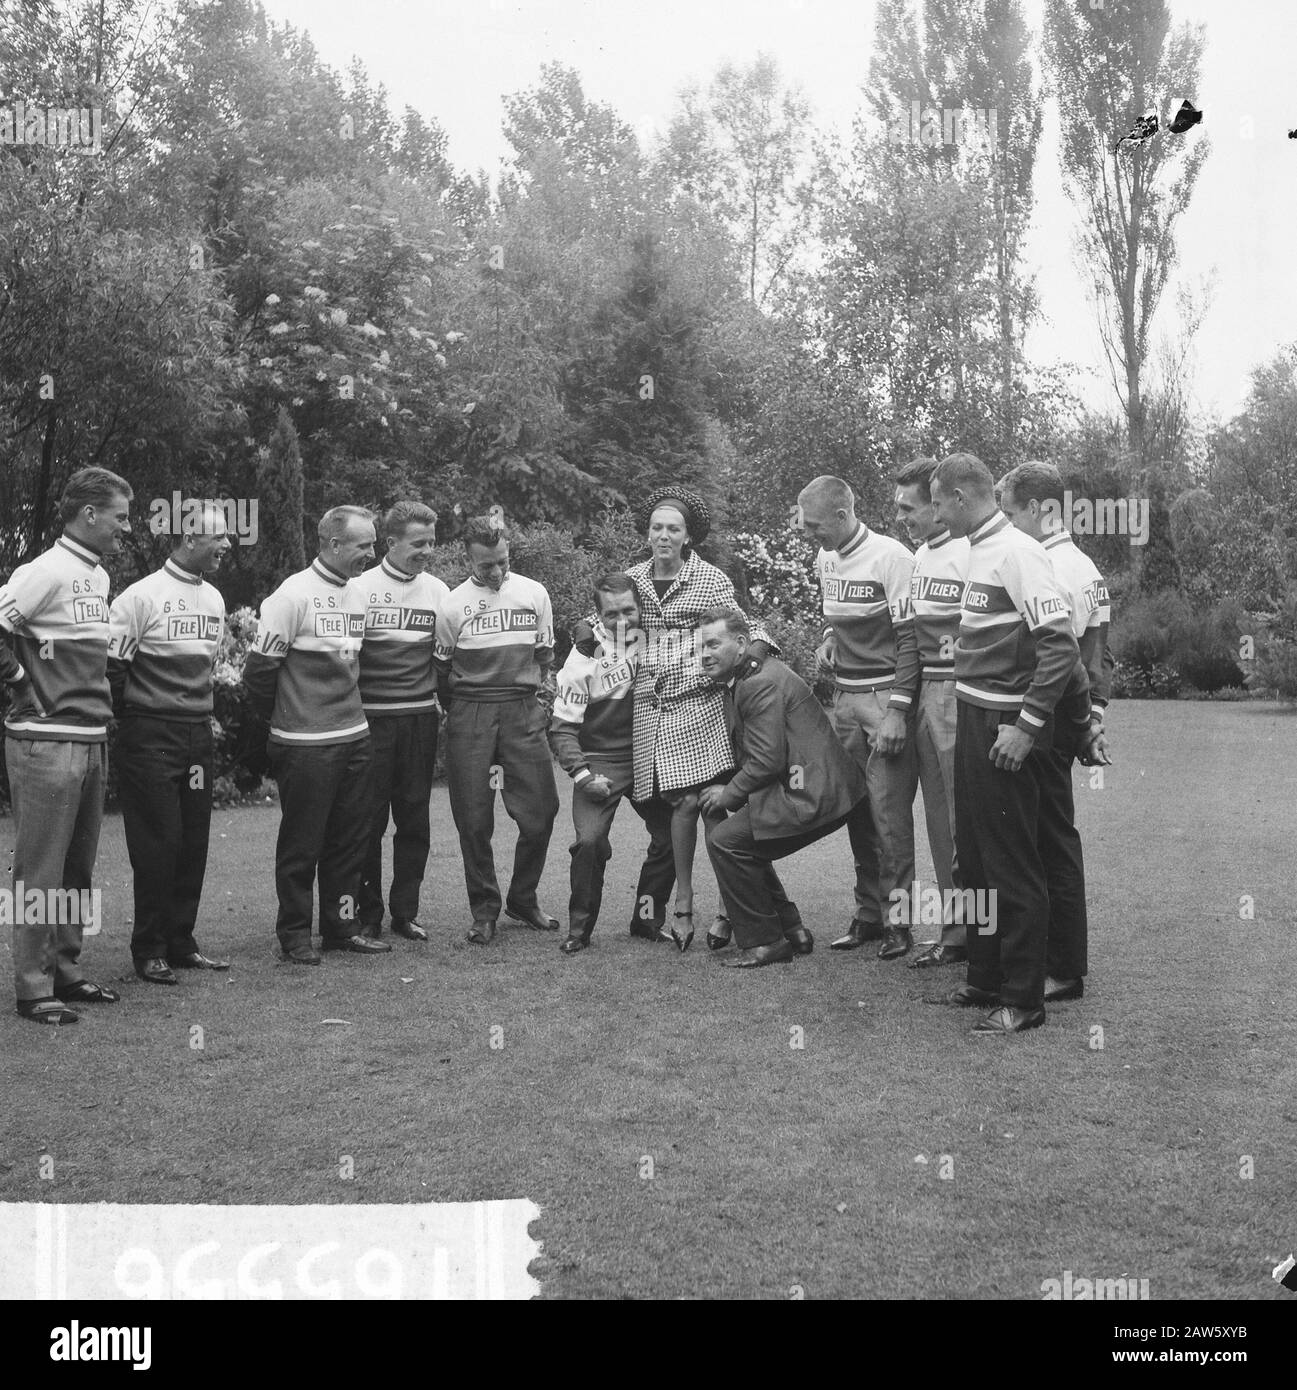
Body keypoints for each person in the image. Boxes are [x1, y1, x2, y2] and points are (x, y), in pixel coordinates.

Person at [929, 453, 1098, 1034]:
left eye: (936, 501)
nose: (932, 513)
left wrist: (1027, 727)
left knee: (1011, 862)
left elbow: (1060, 649)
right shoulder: (977, 547)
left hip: (1004, 724)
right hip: (973, 716)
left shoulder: (1020, 552)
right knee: (973, 856)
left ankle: (1024, 999)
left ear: (958, 496)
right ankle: (984, 979)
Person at [575, 485, 776, 952]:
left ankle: (727, 911)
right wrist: (583, 626)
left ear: (688, 537)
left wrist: (749, 661)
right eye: (657, 528)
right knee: (678, 812)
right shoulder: (633, 578)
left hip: (698, 708)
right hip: (648, 715)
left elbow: (745, 626)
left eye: (674, 529)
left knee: (712, 808)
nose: (663, 536)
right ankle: (674, 908)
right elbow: (605, 617)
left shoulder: (709, 579)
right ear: (648, 534)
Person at [0, 466, 133, 1024]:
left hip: (89, 735)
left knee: (77, 866)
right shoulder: (45, 571)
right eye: (121, 517)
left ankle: (66, 969)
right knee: (41, 867)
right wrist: (18, 684)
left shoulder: (97, 576)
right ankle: (33, 987)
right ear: (90, 515)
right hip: (45, 741)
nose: (126, 527)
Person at [242, 506, 390, 964]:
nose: (372, 553)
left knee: (350, 841)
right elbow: (259, 674)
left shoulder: (358, 595)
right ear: (334, 545)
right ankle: (294, 937)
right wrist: (280, 726)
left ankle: (341, 928)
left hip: (354, 736)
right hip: (304, 743)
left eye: (373, 543)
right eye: (364, 545)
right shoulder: (291, 596)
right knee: (302, 843)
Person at [998, 461, 1113, 1003]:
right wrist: (1093, 721)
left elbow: (1065, 657)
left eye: (1011, 511)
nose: (1005, 522)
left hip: (1044, 721)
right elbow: (1101, 655)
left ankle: (1062, 967)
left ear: (1040, 510)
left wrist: (1041, 722)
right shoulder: (1085, 565)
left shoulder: (1051, 566)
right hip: (1066, 720)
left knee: (1049, 842)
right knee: (1053, 838)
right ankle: (1053, 958)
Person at [697, 609, 867, 968]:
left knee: (725, 841)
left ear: (742, 644)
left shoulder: (757, 682)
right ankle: (792, 929)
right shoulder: (749, 676)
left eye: (714, 644)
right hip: (821, 788)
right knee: (742, 839)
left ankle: (766, 942)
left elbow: (765, 761)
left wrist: (728, 795)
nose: (705, 654)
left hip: (816, 795)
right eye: (701, 647)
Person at [107, 502, 231, 985]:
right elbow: (113, 670)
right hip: (149, 736)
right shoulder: (139, 597)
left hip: (196, 735)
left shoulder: (216, 599)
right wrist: (139, 720)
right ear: (187, 539)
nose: (226, 545)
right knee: (158, 842)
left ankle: (181, 942)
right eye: (218, 537)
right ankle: (149, 947)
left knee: (193, 840)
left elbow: (204, 671)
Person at [797, 475, 919, 959]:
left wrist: (897, 711)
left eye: (815, 526)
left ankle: (900, 922)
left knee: (889, 814)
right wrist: (830, 636)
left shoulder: (894, 558)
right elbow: (834, 613)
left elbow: (910, 640)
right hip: (844, 700)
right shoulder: (825, 557)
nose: (810, 535)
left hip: (883, 698)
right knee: (858, 811)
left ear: (843, 516)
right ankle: (868, 915)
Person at [435, 517, 560, 944]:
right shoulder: (452, 604)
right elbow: (441, 670)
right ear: (469, 557)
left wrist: (525, 697)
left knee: (542, 811)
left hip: (522, 710)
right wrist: (467, 707)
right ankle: (484, 910)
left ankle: (523, 898)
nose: (496, 572)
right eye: (486, 565)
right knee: (473, 817)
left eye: (502, 562)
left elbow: (544, 657)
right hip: (471, 713)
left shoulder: (533, 593)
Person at [548, 573, 675, 954]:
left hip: (647, 752)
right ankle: (580, 930)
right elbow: (562, 729)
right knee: (589, 842)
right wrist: (583, 776)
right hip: (601, 760)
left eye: (629, 611)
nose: (621, 621)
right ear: (598, 615)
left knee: (671, 836)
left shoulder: (655, 636)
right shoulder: (583, 655)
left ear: (642, 608)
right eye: (610, 615)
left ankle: (646, 918)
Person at [356, 501, 449, 943]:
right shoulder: (359, 587)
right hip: (371, 721)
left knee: (414, 821)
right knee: (368, 822)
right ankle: (366, 914)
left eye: (432, 542)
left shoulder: (438, 591)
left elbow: (445, 657)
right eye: (418, 543)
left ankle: (405, 912)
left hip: (418, 719)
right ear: (390, 543)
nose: (427, 551)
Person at [893, 457, 971, 970]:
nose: (901, 516)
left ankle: (980, 932)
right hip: (924, 694)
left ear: (940, 507)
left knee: (966, 819)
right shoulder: (919, 556)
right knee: (939, 819)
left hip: (959, 694)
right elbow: (907, 636)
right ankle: (957, 931)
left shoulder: (970, 553)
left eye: (910, 506)